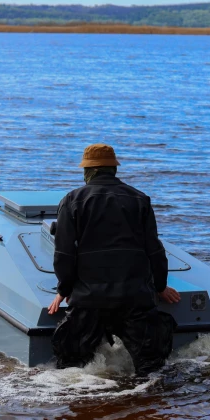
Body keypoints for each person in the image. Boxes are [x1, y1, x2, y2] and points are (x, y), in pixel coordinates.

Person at [48, 143, 180, 375]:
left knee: (72, 370)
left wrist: (64, 289)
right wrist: (160, 287)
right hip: (135, 297)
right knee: (151, 371)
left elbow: (64, 253)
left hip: (90, 299)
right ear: (114, 170)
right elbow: (155, 251)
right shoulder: (140, 199)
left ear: (88, 171)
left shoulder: (73, 200)